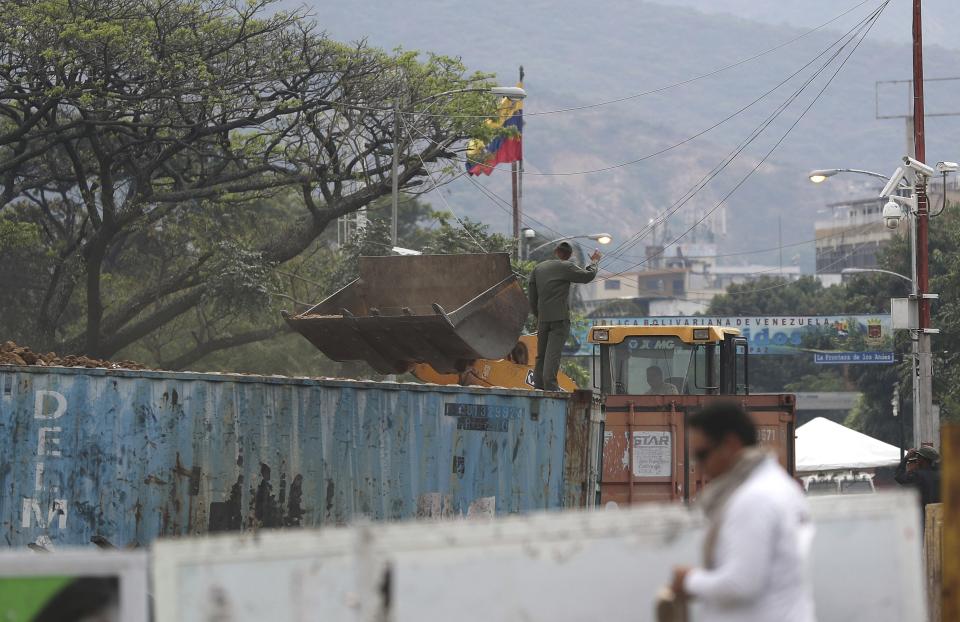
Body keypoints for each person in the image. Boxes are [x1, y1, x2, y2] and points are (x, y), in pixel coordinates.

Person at [668, 401, 815, 622]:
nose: (699, 466)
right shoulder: (778, 485)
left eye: (702, 454)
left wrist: (688, 580)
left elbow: (740, 584)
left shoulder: (753, 499)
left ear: (730, 444)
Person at [527, 242, 600, 391]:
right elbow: (588, 276)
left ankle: (539, 387)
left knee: (541, 356)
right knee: (552, 355)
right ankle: (551, 387)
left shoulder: (538, 268)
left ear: (556, 252)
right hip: (559, 320)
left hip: (543, 319)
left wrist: (538, 315)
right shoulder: (566, 267)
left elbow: (532, 297)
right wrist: (594, 261)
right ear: (570, 255)